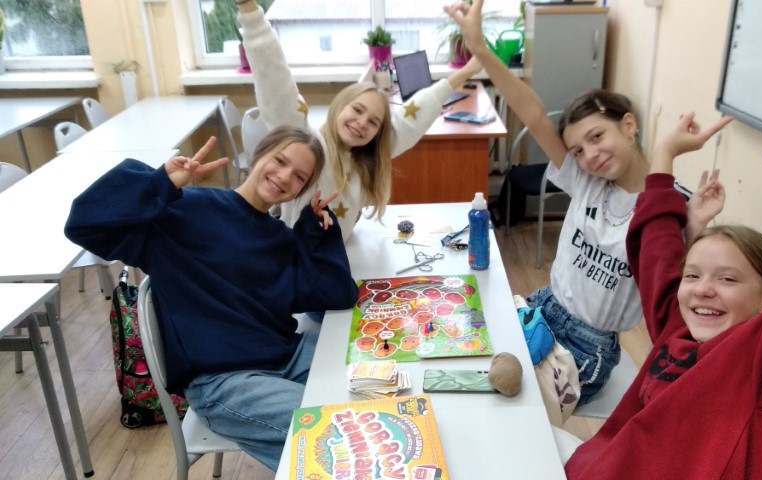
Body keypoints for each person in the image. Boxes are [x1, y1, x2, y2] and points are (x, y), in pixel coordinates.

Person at [445, 0, 709, 404]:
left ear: (629, 124)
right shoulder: (587, 182)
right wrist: (479, 49)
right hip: (544, 306)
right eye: (578, 150)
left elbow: (674, 289)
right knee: (469, 356)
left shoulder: (666, 210)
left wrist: (696, 229)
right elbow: (534, 115)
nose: (590, 155)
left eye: (597, 137)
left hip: (588, 346)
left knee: (511, 401)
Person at [562, 112, 762, 478]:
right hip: (600, 465)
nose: (702, 289)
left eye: (727, 279)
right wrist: (665, 155)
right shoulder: (680, 328)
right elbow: (658, 253)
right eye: (692, 275)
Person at [64, 131, 359, 471]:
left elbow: (336, 296)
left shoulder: (280, 237)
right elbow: (83, 223)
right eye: (279, 161)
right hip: (224, 381)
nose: (284, 177)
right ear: (258, 154)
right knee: (343, 432)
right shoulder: (182, 211)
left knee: (379, 382)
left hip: (286, 358)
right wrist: (160, 183)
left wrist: (317, 232)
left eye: (299, 177)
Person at [237, 0, 483, 240]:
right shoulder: (311, 149)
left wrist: (467, 71)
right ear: (339, 106)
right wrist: (248, 8)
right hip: (296, 258)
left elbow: (409, 122)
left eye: (373, 122)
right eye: (357, 109)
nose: (362, 122)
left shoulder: (364, 158)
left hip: (337, 255)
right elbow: (277, 85)